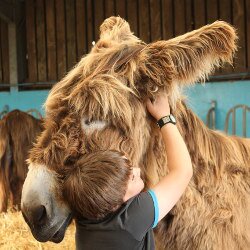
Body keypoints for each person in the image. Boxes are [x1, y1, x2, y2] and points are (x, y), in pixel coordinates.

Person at [63, 93, 193, 250]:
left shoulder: (85, 212)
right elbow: (183, 171)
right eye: (131, 177)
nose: (137, 170)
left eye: (130, 165)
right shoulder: (130, 220)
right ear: (117, 204)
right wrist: (164, 116)